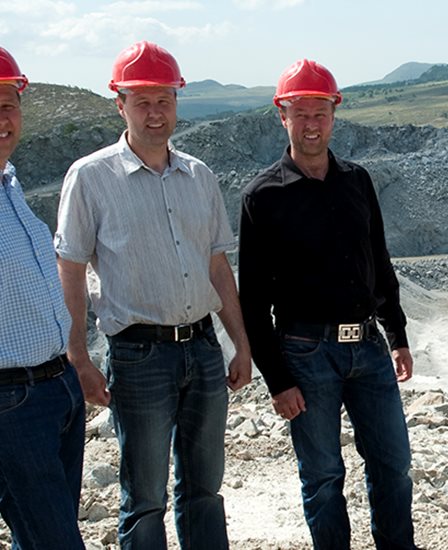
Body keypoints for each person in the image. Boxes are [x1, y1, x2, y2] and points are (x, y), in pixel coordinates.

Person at [54, 41, 251, 550]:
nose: (155, 113)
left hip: (204, 350)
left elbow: (216, 265)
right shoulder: (90, 177)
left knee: (205, 489)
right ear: (119, 104)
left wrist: (241, 343)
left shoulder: (199, 175)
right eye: (141, 101)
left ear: (177, 102)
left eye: (163, 100)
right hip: (139, 355)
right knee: (145, 497)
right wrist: (79, 357)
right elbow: (70, 270)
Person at [239, 59, 418, 550]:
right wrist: (277, 379)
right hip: (305, 351)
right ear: (283, 116)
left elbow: (378, 261)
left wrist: (397, 334)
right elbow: (251, 299)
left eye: (320, 112)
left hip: (368, 346)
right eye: (301, 113)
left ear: (334, 115)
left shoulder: (357, 181)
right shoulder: (262, 197)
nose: (311, 124)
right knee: (322, 475)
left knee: (393, 465)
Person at [0, 45, 86, 550]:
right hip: (11, 402)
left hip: (57, 388)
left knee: (41, 537)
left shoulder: (10, 183)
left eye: (9, 103)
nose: (3, 119)